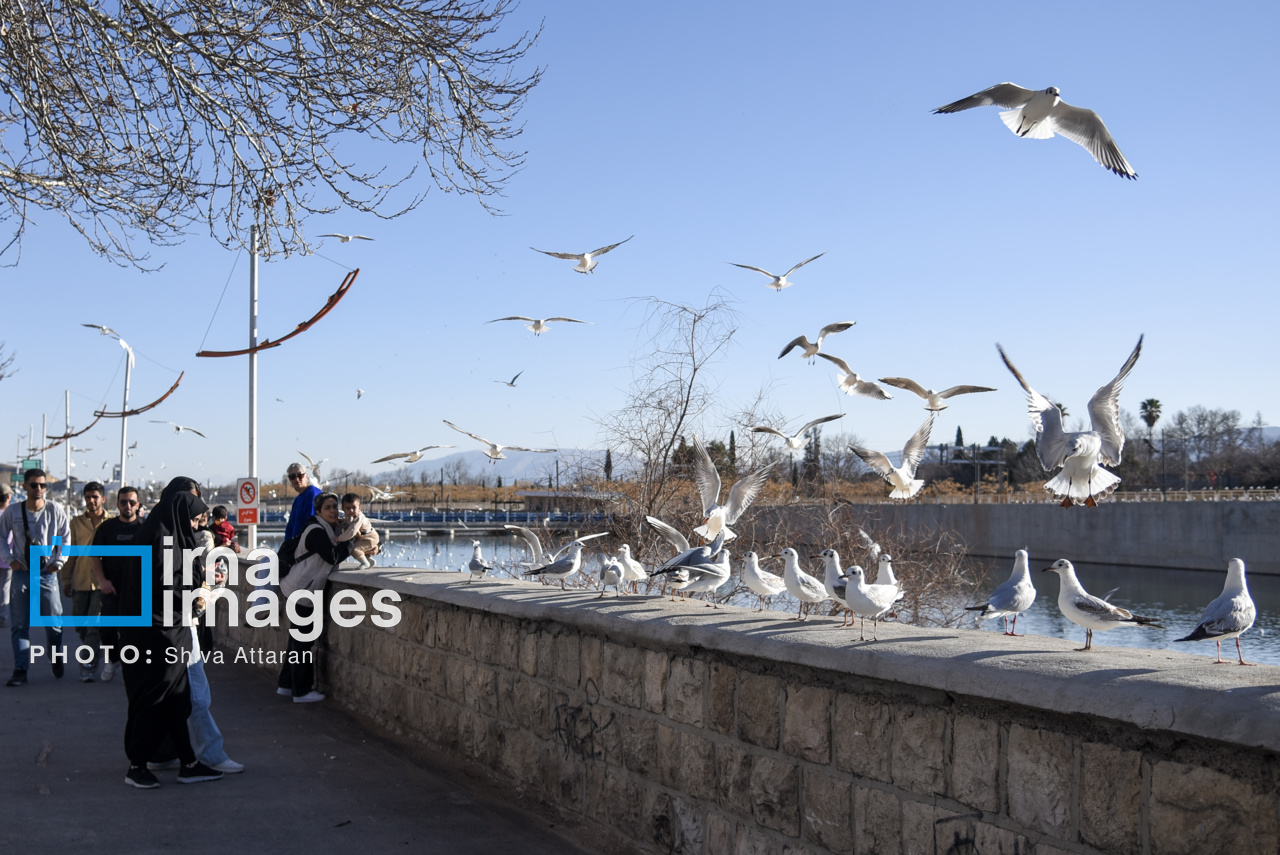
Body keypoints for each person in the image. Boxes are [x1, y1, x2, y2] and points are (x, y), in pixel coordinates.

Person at [117, 476, 222, 788]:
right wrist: (200, 587)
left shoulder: (168, 536)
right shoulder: (161, 540)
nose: (194, 522)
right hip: (151, 633)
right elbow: (166, 588)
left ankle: (188, 761)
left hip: (170, 631)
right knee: (150, 698)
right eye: (191, 515)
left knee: (177, 698)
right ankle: (136, 765)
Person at [277, 491, 350, 703]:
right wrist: (350, 539)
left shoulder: (322, 528)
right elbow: (333, 556)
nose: (334, 511)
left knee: (296, 640)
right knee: (303, 642)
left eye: (335, 507)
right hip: (302, 592)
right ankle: (301, 691)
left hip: (297, 589)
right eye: (328, 507)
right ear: (318, 511)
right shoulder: (316, 531)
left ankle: (286, 684)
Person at [0, 469, 70, 687]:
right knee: (19, 625)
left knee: (54, 622)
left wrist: (58, 562)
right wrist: (9, 559)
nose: (38, 489)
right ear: (25, 487)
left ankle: (55, 655)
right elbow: (1, 537)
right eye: (33, 485)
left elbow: (63, 538)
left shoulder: (54, 510)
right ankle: (21, 669)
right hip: (21, 572)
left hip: (47, 573)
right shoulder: (13, 512)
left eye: (42, 485)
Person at [89, 486, 143, 682]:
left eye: (131, 502)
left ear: (137, 504)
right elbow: (95, 556)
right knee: (107, 630)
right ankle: (112, 659)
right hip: (111, 588)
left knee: (134, 632)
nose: (127, 506)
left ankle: (132, 668)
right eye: (123, 502)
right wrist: (102, 581)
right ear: (117, 504)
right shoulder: (107, 528)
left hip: (137, 591)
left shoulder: (144, 529)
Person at [62, 481, 109, 681]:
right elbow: (70, 553)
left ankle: (87, 665)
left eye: (95, 497)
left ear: (103, 499)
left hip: (102, 582)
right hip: (80, 580)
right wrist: (66, 579)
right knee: (79, 623)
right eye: (88, 497)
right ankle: (94, 650)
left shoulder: (111, 523)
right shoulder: (75, 523)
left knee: (94, 624)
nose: (91, 501)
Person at [337, 492, 380, 569]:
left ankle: (365, 563)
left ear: (359, 508)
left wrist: (339, 538)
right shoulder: (350, 516)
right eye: (347, 508)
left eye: (354, 507)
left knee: (354, 549)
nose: (351, 510)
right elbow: (349, 522)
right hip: (364, 537)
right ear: (342, 508)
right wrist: (342, 521)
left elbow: (351, 531)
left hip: (370, 537)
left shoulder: (359, 518)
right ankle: (369, 561)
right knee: (360, 549)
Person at [283, 463, 321, 542]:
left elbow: (311, 525)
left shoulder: (312, 494)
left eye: (300, 475)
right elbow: (290, 527)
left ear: (306, 476)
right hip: (297, 548)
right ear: (290, 480)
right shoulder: (297, 499)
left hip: (308, 547)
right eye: (293, 477)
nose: (297, 479)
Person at [0, 485, 11, 628]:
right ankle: (2, 616)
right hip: (7, 559)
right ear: (9, 497)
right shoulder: (11, 515)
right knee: (5, 588)